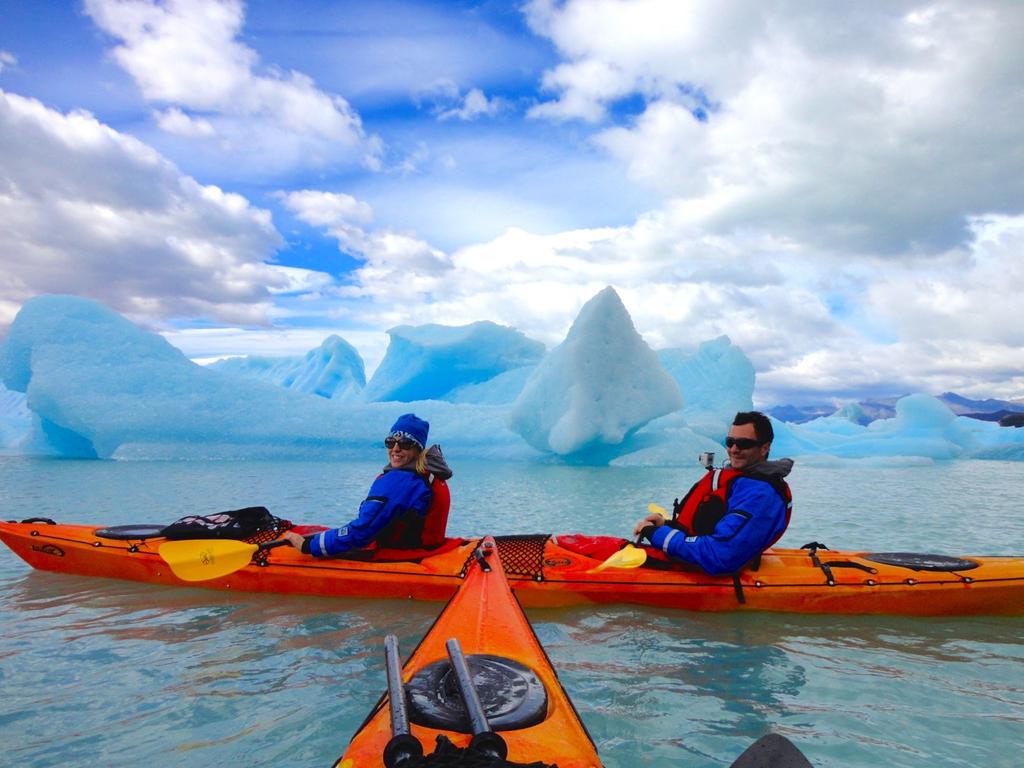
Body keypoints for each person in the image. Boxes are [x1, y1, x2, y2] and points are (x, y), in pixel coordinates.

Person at [633, 411, 793, 576]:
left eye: (744, 443)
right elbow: (710, 529)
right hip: (693, 559)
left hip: (707, 566)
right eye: (730, 442)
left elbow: (719, 555)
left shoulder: (761, 496)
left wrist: (657, 534)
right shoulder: (741, 482)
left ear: (764, 448)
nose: (734, 449)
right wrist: (666, 526)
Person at [283, 413, 452, 558]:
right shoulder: (425, 474)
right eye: (390, 442)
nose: (396, 448)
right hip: (428, 550)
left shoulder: (401, 481)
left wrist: (308, 546)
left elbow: (361, 532)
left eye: (405, 444)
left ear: (418, 449)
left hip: (402, 555)